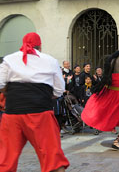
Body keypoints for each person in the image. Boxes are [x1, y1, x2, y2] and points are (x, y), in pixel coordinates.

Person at [0, 32, 69, 172]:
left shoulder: (9, 59)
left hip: (13, 114)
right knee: (53, 158)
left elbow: (0, 84)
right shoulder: (50, 60)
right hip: (41, 113)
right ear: (40, 46)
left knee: (5, 159)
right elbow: (59, 89)